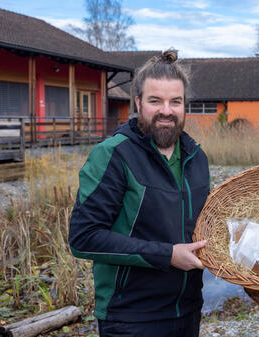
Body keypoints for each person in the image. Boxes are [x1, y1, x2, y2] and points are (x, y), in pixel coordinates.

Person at [69, 50, 209, 337]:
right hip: (131, 318)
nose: (166, 111)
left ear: (185, 106)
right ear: (138, 103)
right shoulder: (113, 154)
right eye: (155, 101)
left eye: (175, 102)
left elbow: (204, 229)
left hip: (188, 312)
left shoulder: (197, 158)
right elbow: (83, 238)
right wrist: (167, 255)